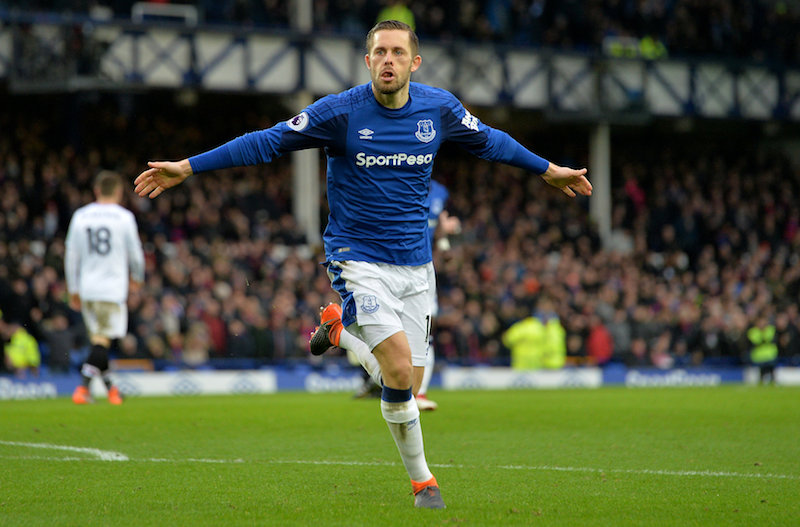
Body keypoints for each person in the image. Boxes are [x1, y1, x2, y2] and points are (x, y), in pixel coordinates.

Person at [134, 20, 591, 508]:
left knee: (407, 385)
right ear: (367, 60)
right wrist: (188, 166)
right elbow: (266, 141)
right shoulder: (340, 113)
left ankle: (339, 331)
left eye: (397, 52)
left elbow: (494, 142)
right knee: (395, 369)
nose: (388, 60)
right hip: (357, 259)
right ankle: (424, 483)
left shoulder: (439, 109)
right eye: (379, 52)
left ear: (415, 63)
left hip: (415, 266)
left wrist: (548, 170)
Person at [350, 178, 459, 409]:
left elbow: (439, 226)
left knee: (423, 331)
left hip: (422, 269)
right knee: (384, 327)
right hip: (389, 265)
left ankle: (414, 392)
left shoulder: (440, 191)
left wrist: (444, 246)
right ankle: (376, 379)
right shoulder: (395, 180)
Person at [66, 170, 145, 405]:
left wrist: (73, 289)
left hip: (87, 288)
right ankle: (82, 389)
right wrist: (137, 279)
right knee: (102, 341)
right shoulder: (124, 217)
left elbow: (71, 256)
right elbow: (136, 255)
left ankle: (112, 390)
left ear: (96, 190)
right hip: (112, 289)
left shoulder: (81, 216)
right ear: (119, 192)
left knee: (100, 341)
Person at [0, 310, 41, 378]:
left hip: (16, 375)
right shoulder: (5, 339)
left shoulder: (26, 339)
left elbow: (33, 361)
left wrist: (22, 367)